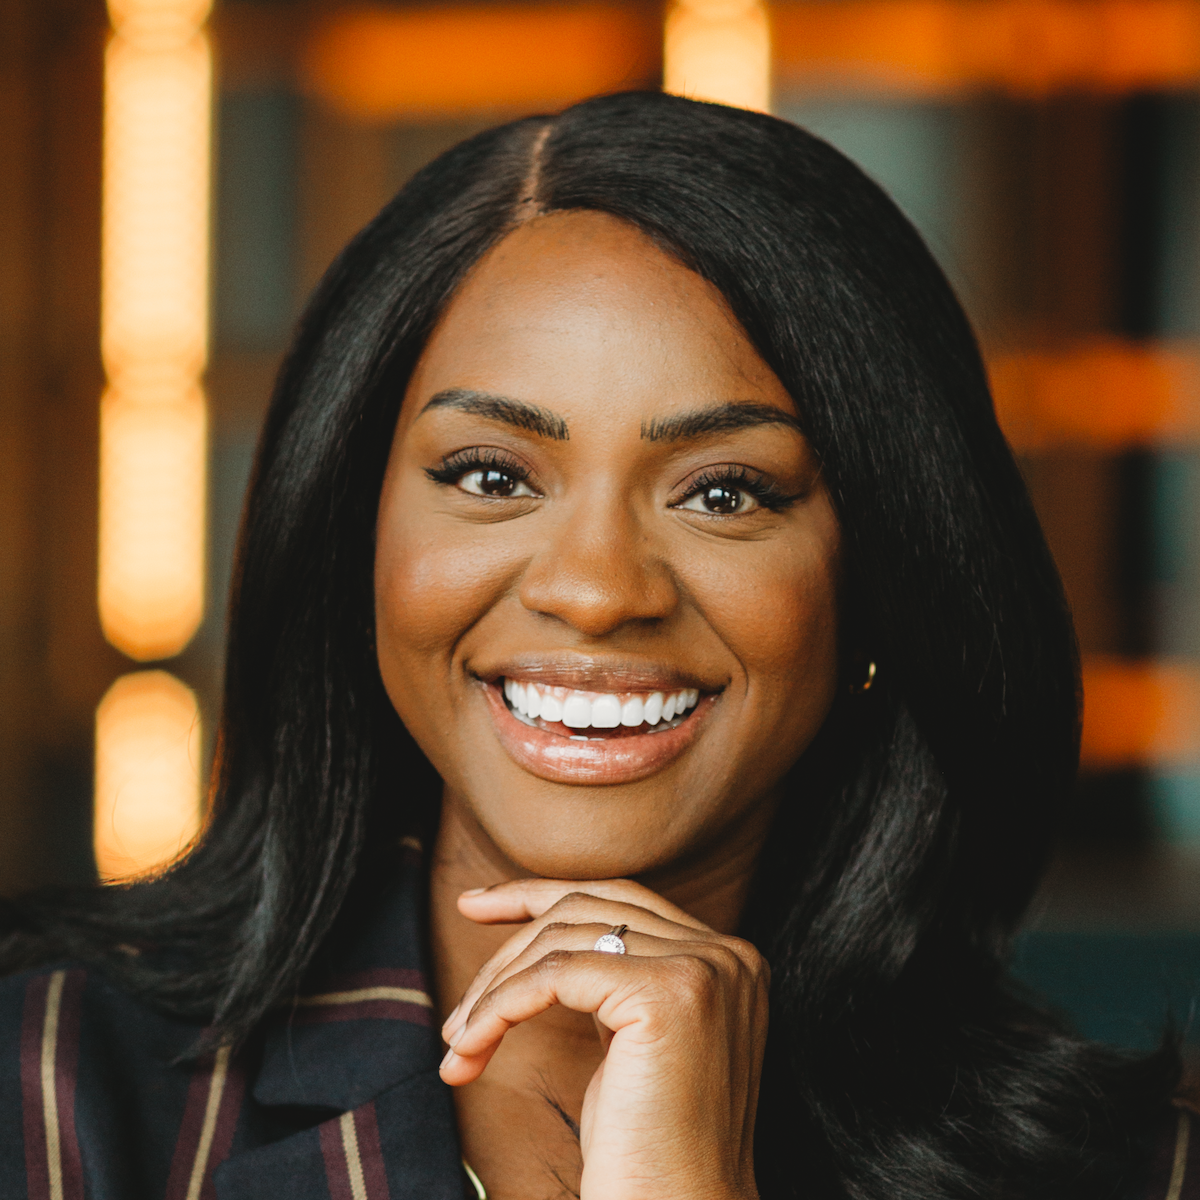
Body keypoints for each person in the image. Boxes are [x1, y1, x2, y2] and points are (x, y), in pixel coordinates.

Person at [0, 90, 1188, 1200]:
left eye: (724, 492)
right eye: (492, 476)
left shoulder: (1138, 1170)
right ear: (353, 533)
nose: (596, 591)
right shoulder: (50, 1089)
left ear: (884, 576)